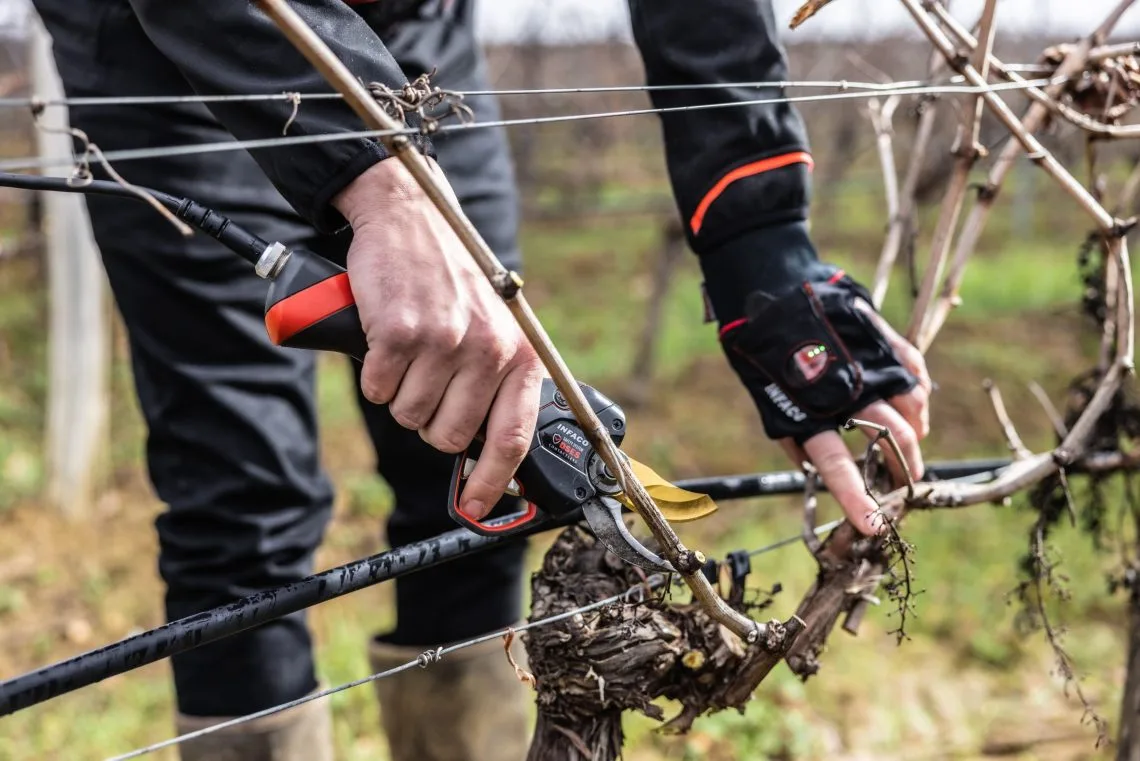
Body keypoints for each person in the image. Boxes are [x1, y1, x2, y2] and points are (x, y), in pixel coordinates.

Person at [28, 1, 931, 760]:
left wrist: (758, 240)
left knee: (488, 457)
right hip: (170, 38)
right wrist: (374, 183)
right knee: (240, 496)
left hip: (410, 33)